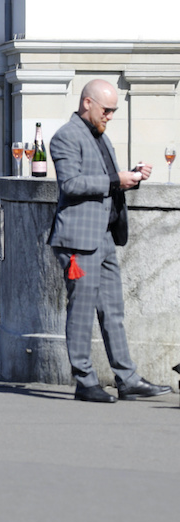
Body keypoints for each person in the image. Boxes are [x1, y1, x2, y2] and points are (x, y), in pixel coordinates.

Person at [48, 78, 170, 403]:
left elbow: (104, 181)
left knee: (113, 310)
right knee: (82, 310)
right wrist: (117, 178)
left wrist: (131, 176)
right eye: (107, 110)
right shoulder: (65, 137)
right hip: (77, 240)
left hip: (102, 235)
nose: (110, 116)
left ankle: (127, 378)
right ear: (87, 103)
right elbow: (71, 184)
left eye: (114, 111)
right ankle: (85, 381)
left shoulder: (98, 136)